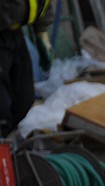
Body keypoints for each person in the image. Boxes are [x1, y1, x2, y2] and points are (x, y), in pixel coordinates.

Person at [0, 0, 52, 137]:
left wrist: (41, 32)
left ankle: (8, 146)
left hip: (14, 32)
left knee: (23, 98)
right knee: (2, 109)